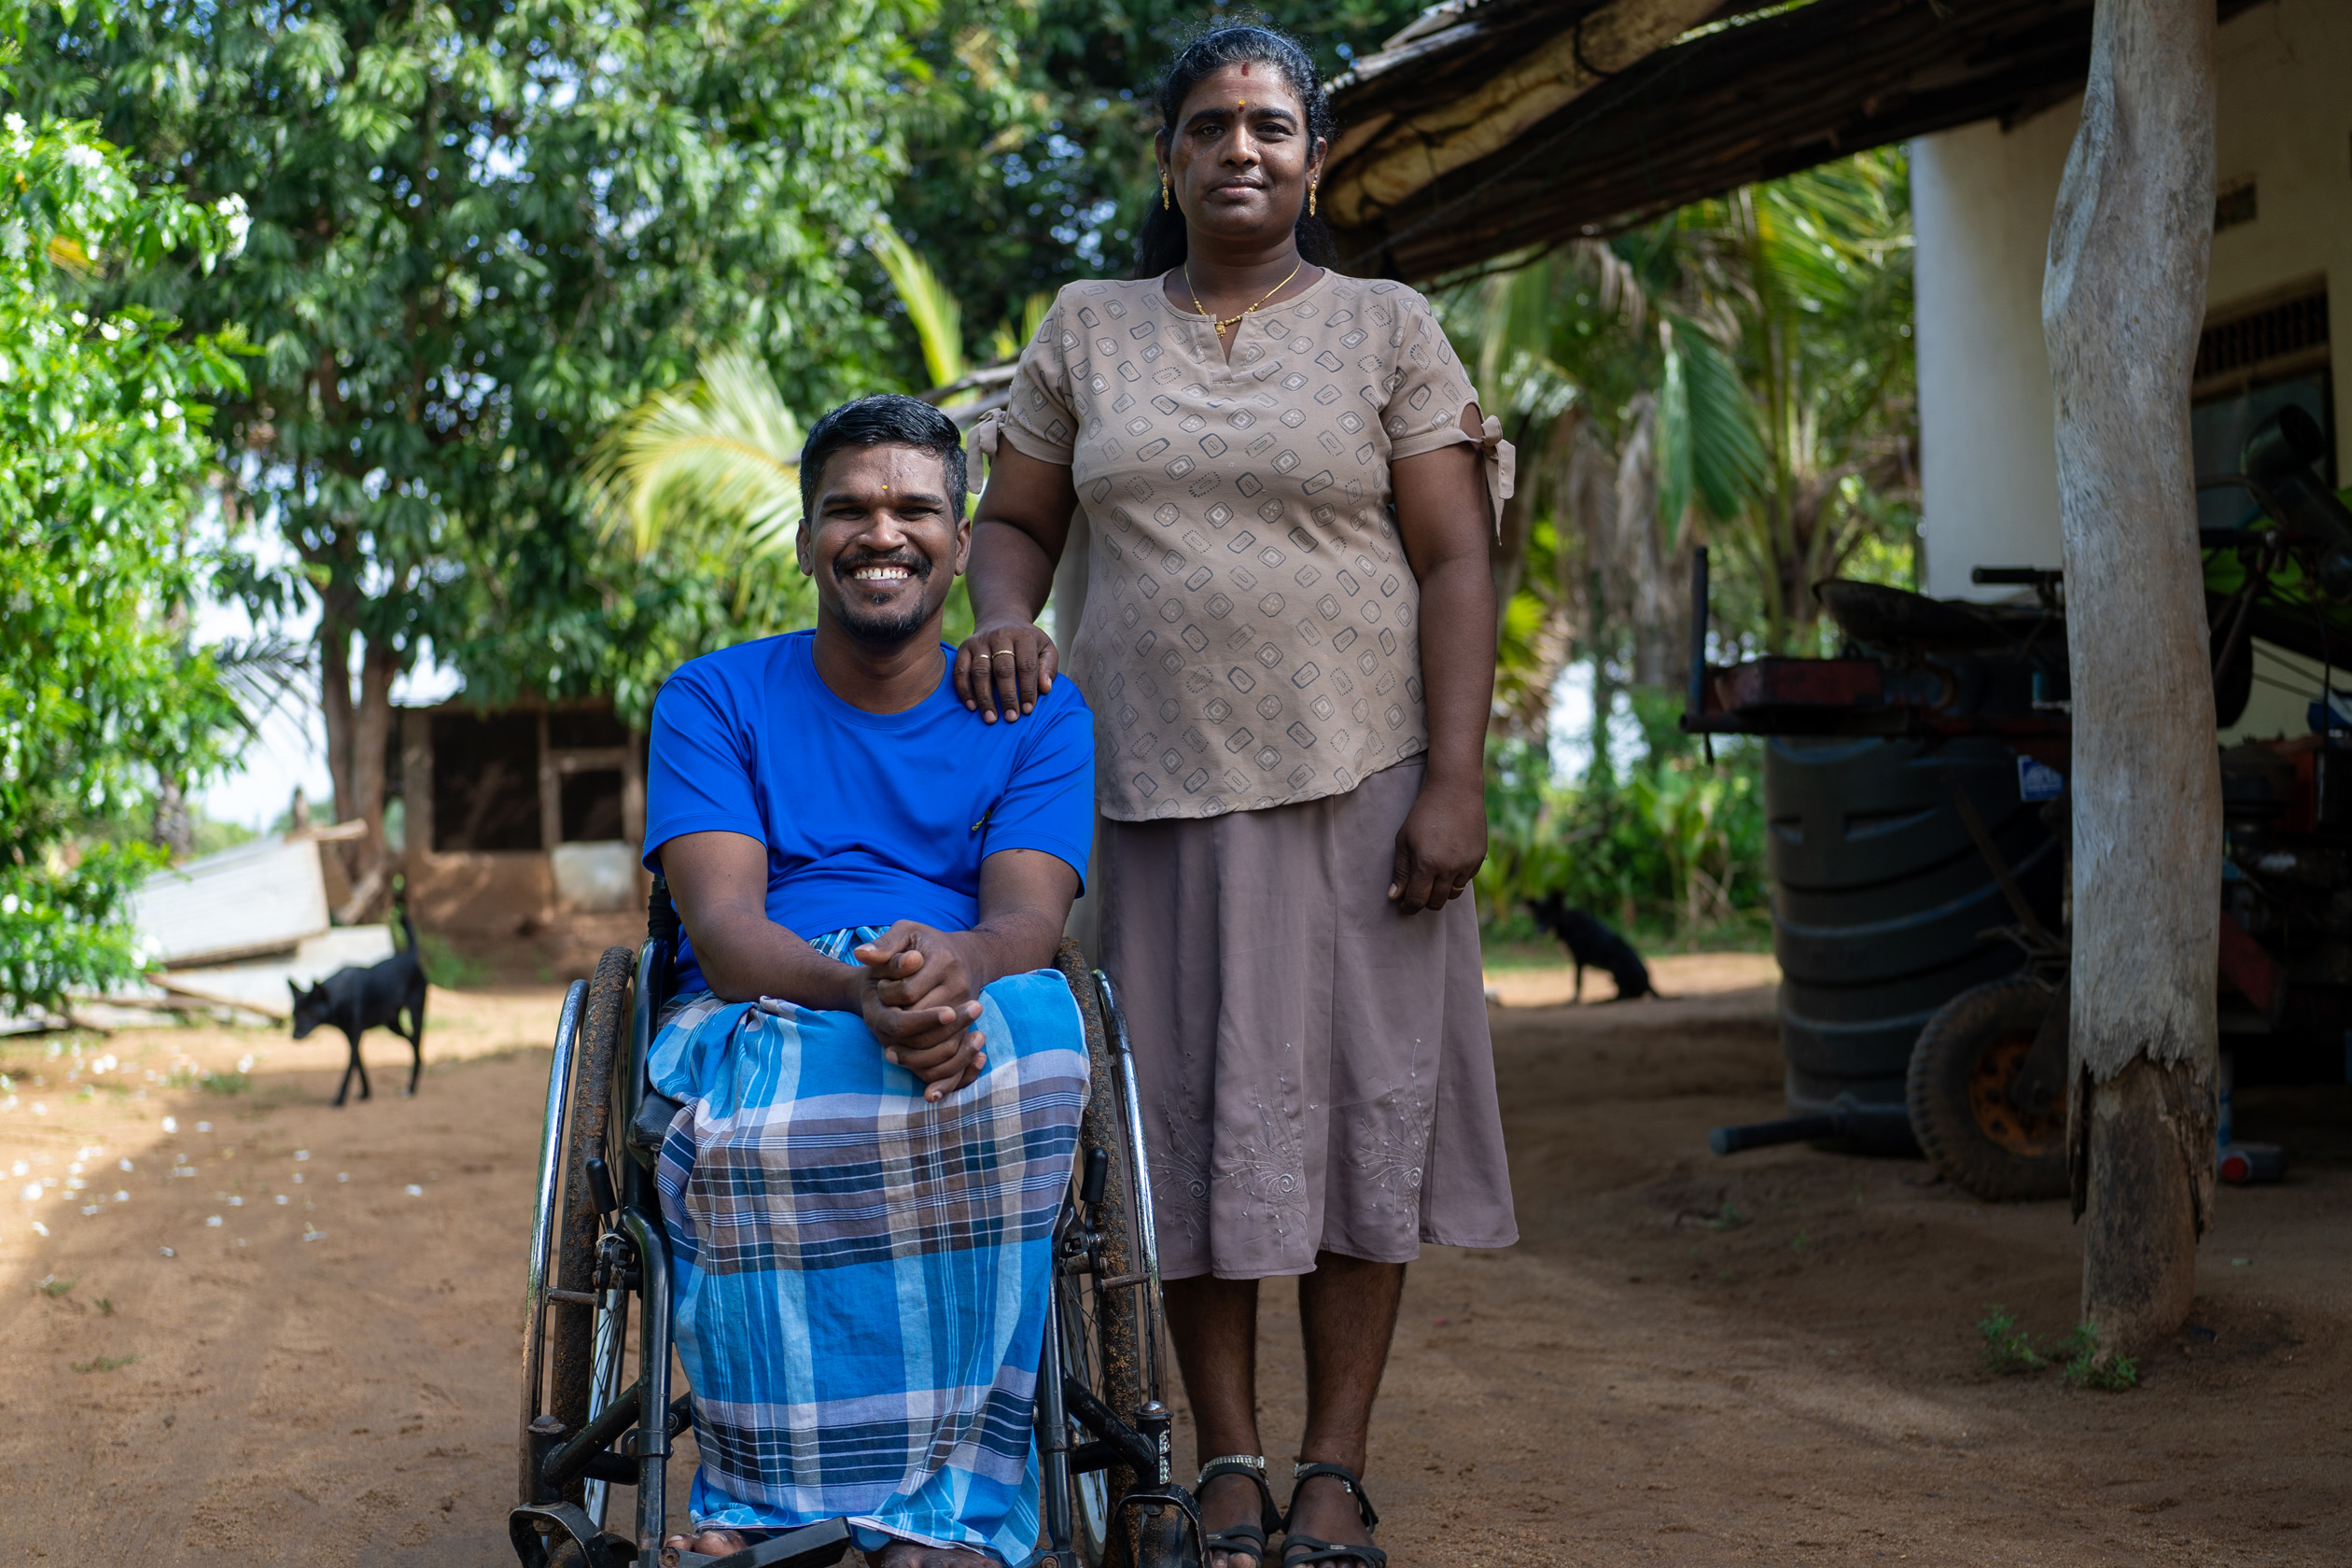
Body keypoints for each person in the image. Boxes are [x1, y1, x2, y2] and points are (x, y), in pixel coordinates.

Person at [952, 25, 1519, 1568]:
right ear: (1171, 158)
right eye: (1211, 126)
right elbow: (1015, 523)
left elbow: (1457, 555)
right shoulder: (1087, 327)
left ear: (1313, 159)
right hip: (1148, 794)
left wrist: (1456, 781)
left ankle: (1333, 1468)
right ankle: (1225, 1461)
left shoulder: (1391, 328)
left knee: (1354, 1128)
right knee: (1181, 1127)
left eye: (1273, 126)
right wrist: (1005, 614)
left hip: (1369, 786)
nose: (1242, 150)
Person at [640, 394, 1098, 1567]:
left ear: (960, 537)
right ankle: (770, 1503)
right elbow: (727, 927)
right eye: (846, 509)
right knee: (762, 1115)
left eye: (914, 509)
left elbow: (1027, 922)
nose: (879, 533)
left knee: (1041, 1048)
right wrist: (871, 995)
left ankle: (951, 1512)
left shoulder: (1037, 716)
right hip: (774, 998)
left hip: (971, 988)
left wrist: (956, 979)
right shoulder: (713, 699)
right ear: (804, 540)